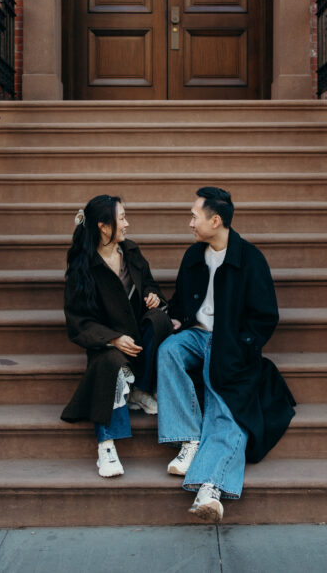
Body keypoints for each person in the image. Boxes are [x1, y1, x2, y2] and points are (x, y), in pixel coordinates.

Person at [156, 187, 296, 522]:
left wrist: (240, 344)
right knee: (168, 351)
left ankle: (210, 488)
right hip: (195, 336)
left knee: (227, 405)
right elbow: (181, 300)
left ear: (215, 220)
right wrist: (176, 317)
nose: (190, 222)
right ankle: (188, 437)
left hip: (231, 345)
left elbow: (265, 316)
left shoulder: (250, 259)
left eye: (195, 216)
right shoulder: (193, 256)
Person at [61, 194, 173, 478]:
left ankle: (140, 390)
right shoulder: (83, 266)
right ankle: (106, 444)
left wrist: (152, 296)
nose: (127, 224)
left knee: (160, 321)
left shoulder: (131, 252)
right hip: (105, 342)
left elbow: (152, 285)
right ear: (104, 226)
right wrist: (112, 339)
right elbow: (78, 321)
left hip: (137, 335)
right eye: (121, 218)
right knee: (110, 364)